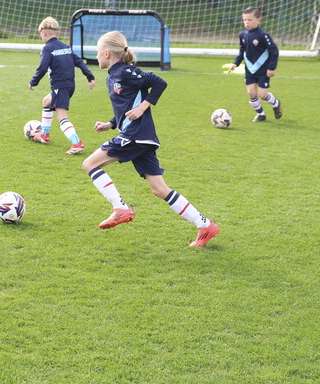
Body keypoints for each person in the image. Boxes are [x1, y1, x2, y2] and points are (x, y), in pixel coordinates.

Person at [82, 31, 219, 246]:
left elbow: (159, 82)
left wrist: (143, 107)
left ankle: (120, 208)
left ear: (107, 53)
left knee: (89, 164)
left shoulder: (126, 72)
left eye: (97, 51)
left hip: (136, 136)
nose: (96, 56)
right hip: (140, 138)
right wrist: (110, 124)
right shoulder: (113, 76)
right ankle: (205, 225)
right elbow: (126, 107)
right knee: (160, 189)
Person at [28, 16, 95, 154]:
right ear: (57, 33)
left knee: (61, 117)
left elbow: (42, 67)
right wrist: (90, 77)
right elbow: (79, 62)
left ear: (43, 33)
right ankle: (45, 135)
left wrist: (33, 81)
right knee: (46, 102)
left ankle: (77, 143)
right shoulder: (66, 47)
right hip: (69, 86)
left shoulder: (47, 48)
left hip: (60, 87)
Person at [227, 7, 283, 122]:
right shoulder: (242, 34)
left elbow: (274, 51)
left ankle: (276, 103)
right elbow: (242, 51)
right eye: (245, 20)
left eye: (250, 20)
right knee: (251, 93)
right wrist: (235, 63)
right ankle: (261, 114)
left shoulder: (263, 35)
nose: (247, 22)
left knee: (262, 95)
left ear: (259, 20)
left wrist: (271, 68)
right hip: (250, 69)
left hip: (263, 70)